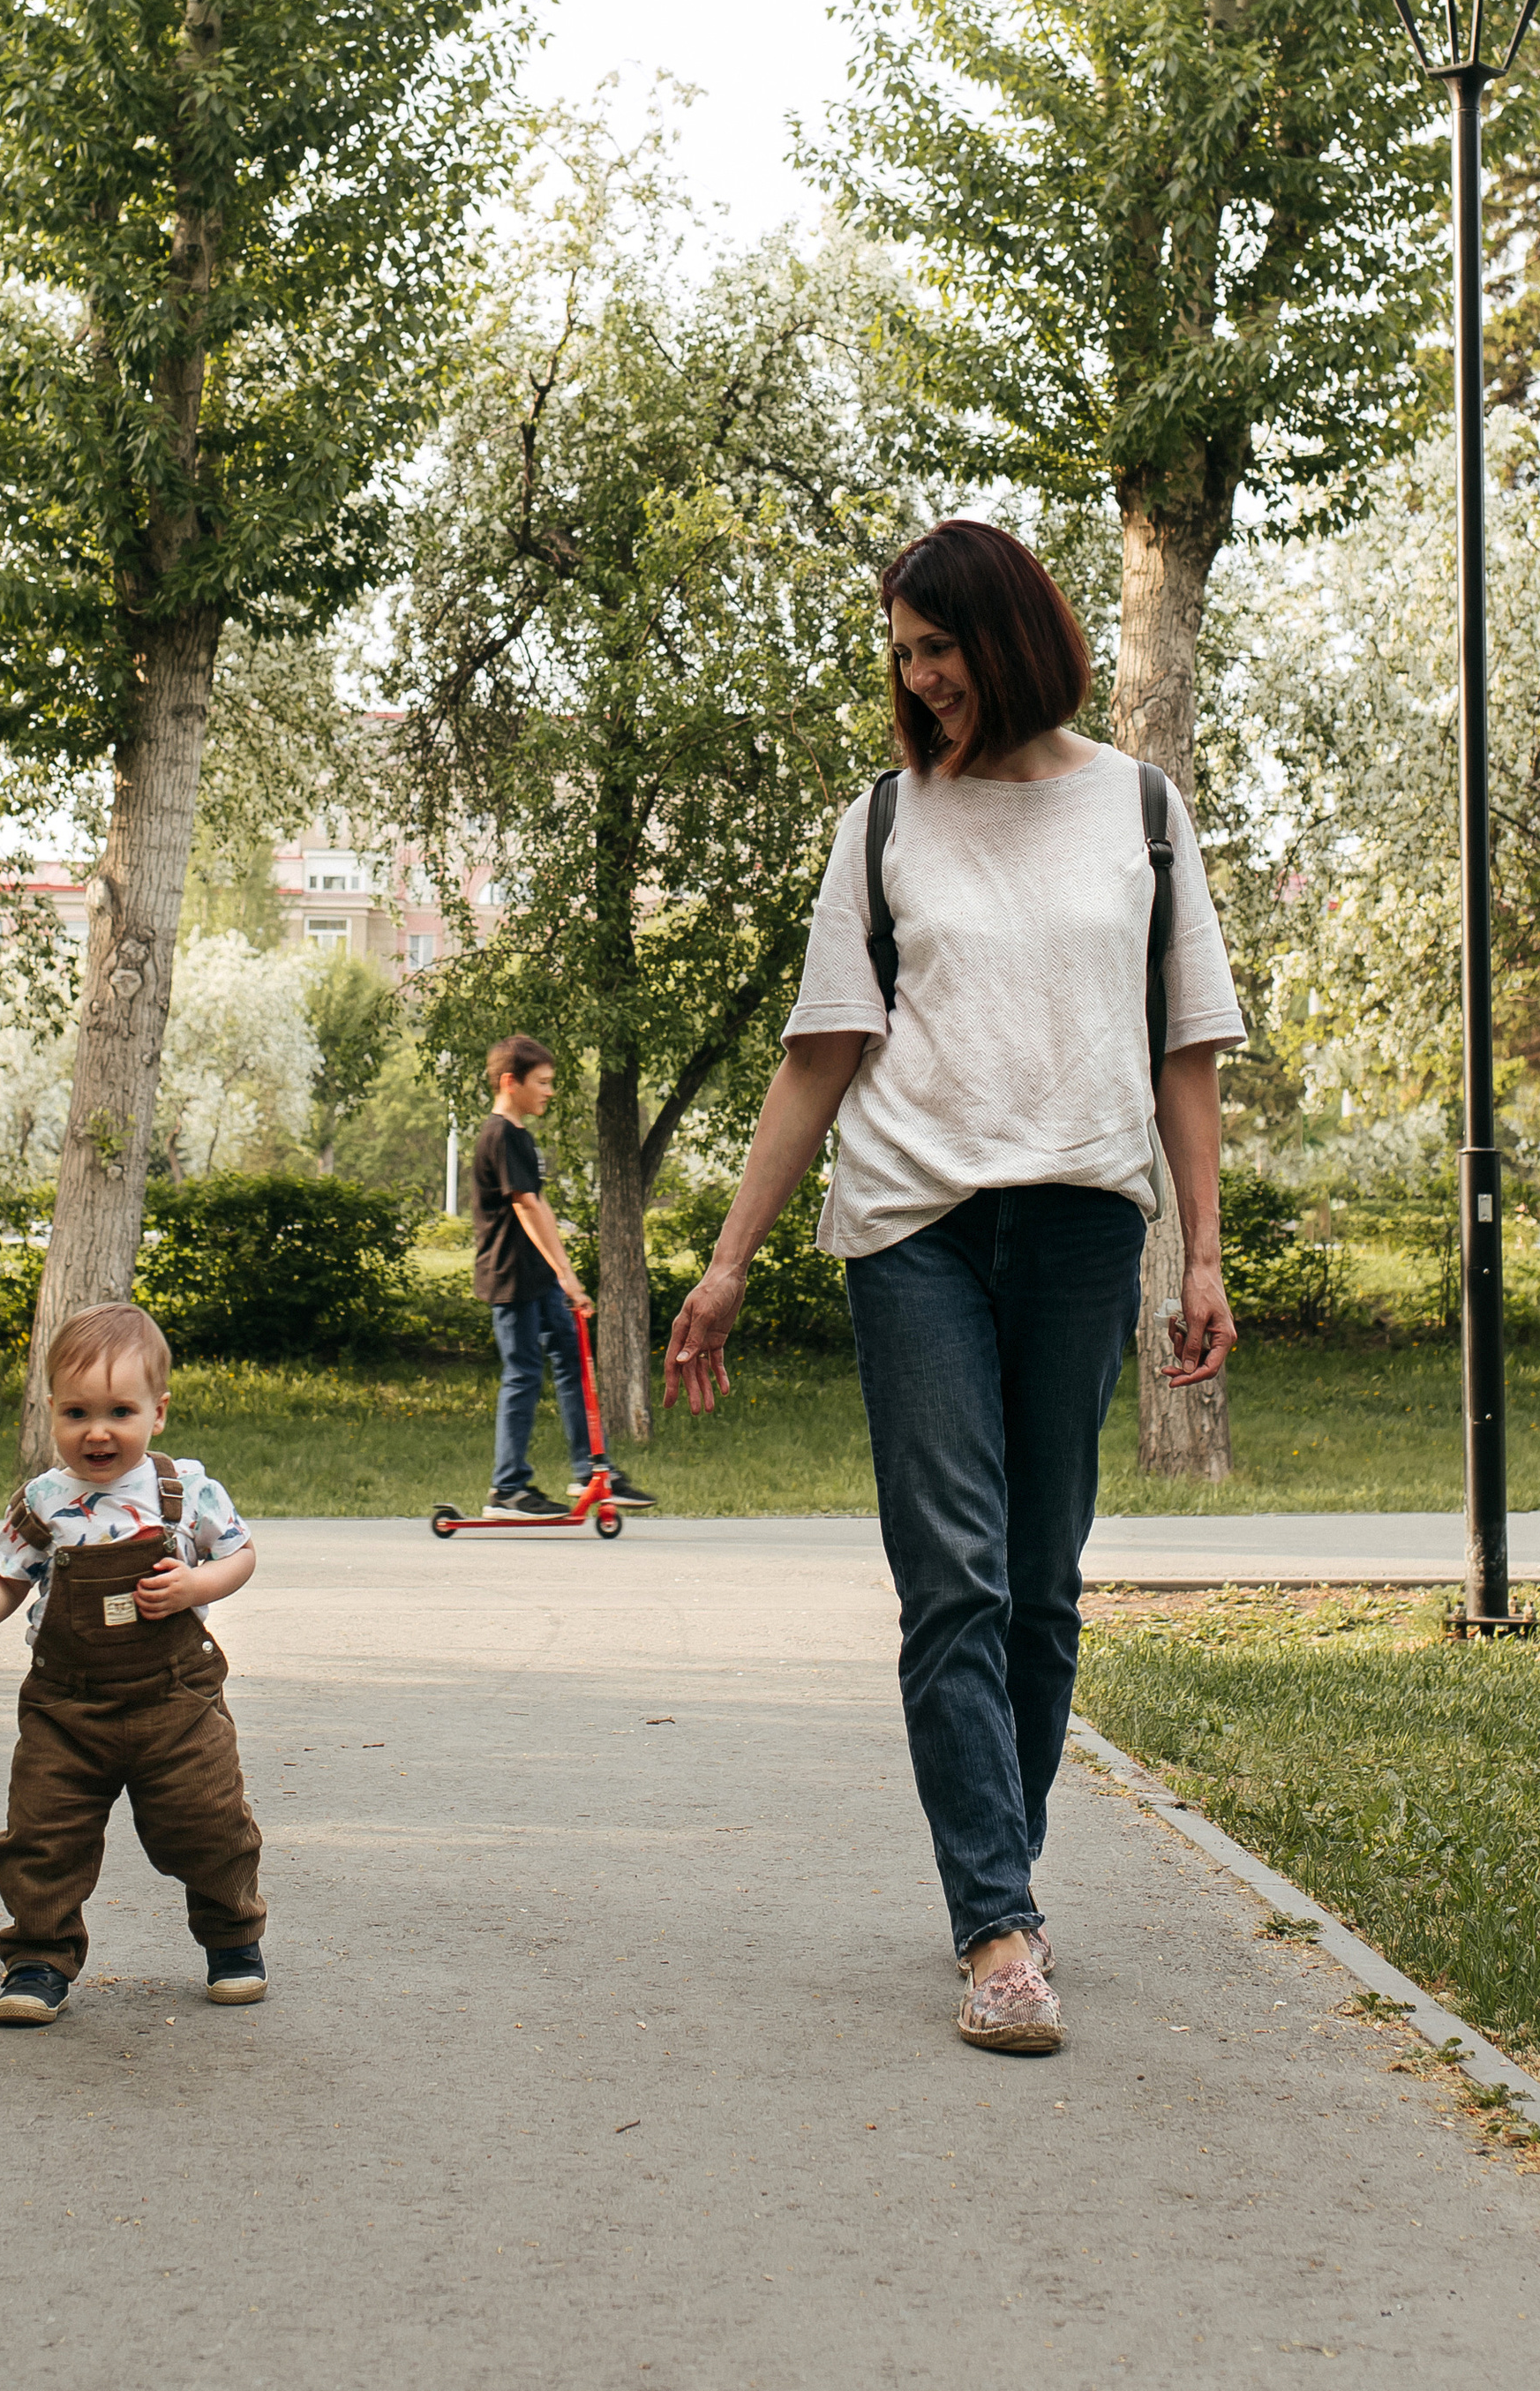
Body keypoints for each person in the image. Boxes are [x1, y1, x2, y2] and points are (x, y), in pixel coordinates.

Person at [663, 519, 1242, 2057]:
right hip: (912, 1228)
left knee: (1042, 1587)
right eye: (903, 655)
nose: (919, 678)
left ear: (1012, 634)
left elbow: (1186, 1051)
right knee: (956, 1582)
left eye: (940, 647)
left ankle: (1006, 1882)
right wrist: (727, 1263)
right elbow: (819, 1056)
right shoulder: (882, 824)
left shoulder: (1141, 810)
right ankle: (996, 1924)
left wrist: (1203, 1252)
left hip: (1083, 1228)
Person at [0, 1299, 267, 2026]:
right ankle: (39, 1958)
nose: (97, 1432)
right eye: (76, 1413)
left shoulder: (184, 1492)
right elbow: (7, 1573)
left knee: (208, 1821)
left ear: (158, 1413)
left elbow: (240, 1555)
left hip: (176, 1700)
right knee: (43, 1834)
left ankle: (233, 1940)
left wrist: (196, 1587)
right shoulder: (43, 1502)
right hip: (66, 1707)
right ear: (51, 1413)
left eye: (120, 1412)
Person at [473, 1034, 655, 1515]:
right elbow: (526, 1207)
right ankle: (507, 1488)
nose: (550, 1091)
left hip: (541, 1279)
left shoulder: (521, 1136)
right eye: (543, 1082)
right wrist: (567, 1274)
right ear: (510, 1082)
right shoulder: (500, 1135)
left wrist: (562, 1276)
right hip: (511, 1278)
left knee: (575, 1365)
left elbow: (541, 1204)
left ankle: (594, 1470)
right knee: (524, 1374)